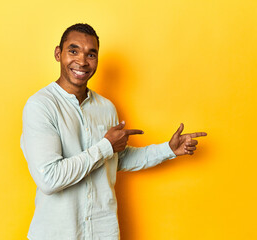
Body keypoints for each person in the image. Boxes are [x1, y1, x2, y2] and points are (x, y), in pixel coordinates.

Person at [21, 23, 207, 240]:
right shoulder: (40, 106)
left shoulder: (106, 108)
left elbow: (117, 158)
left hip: (102, 232)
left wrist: (168, 149)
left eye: (91, 54)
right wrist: (105, 146)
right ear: (58, 53)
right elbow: (50, 179)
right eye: (73, 51)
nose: (82, 61)